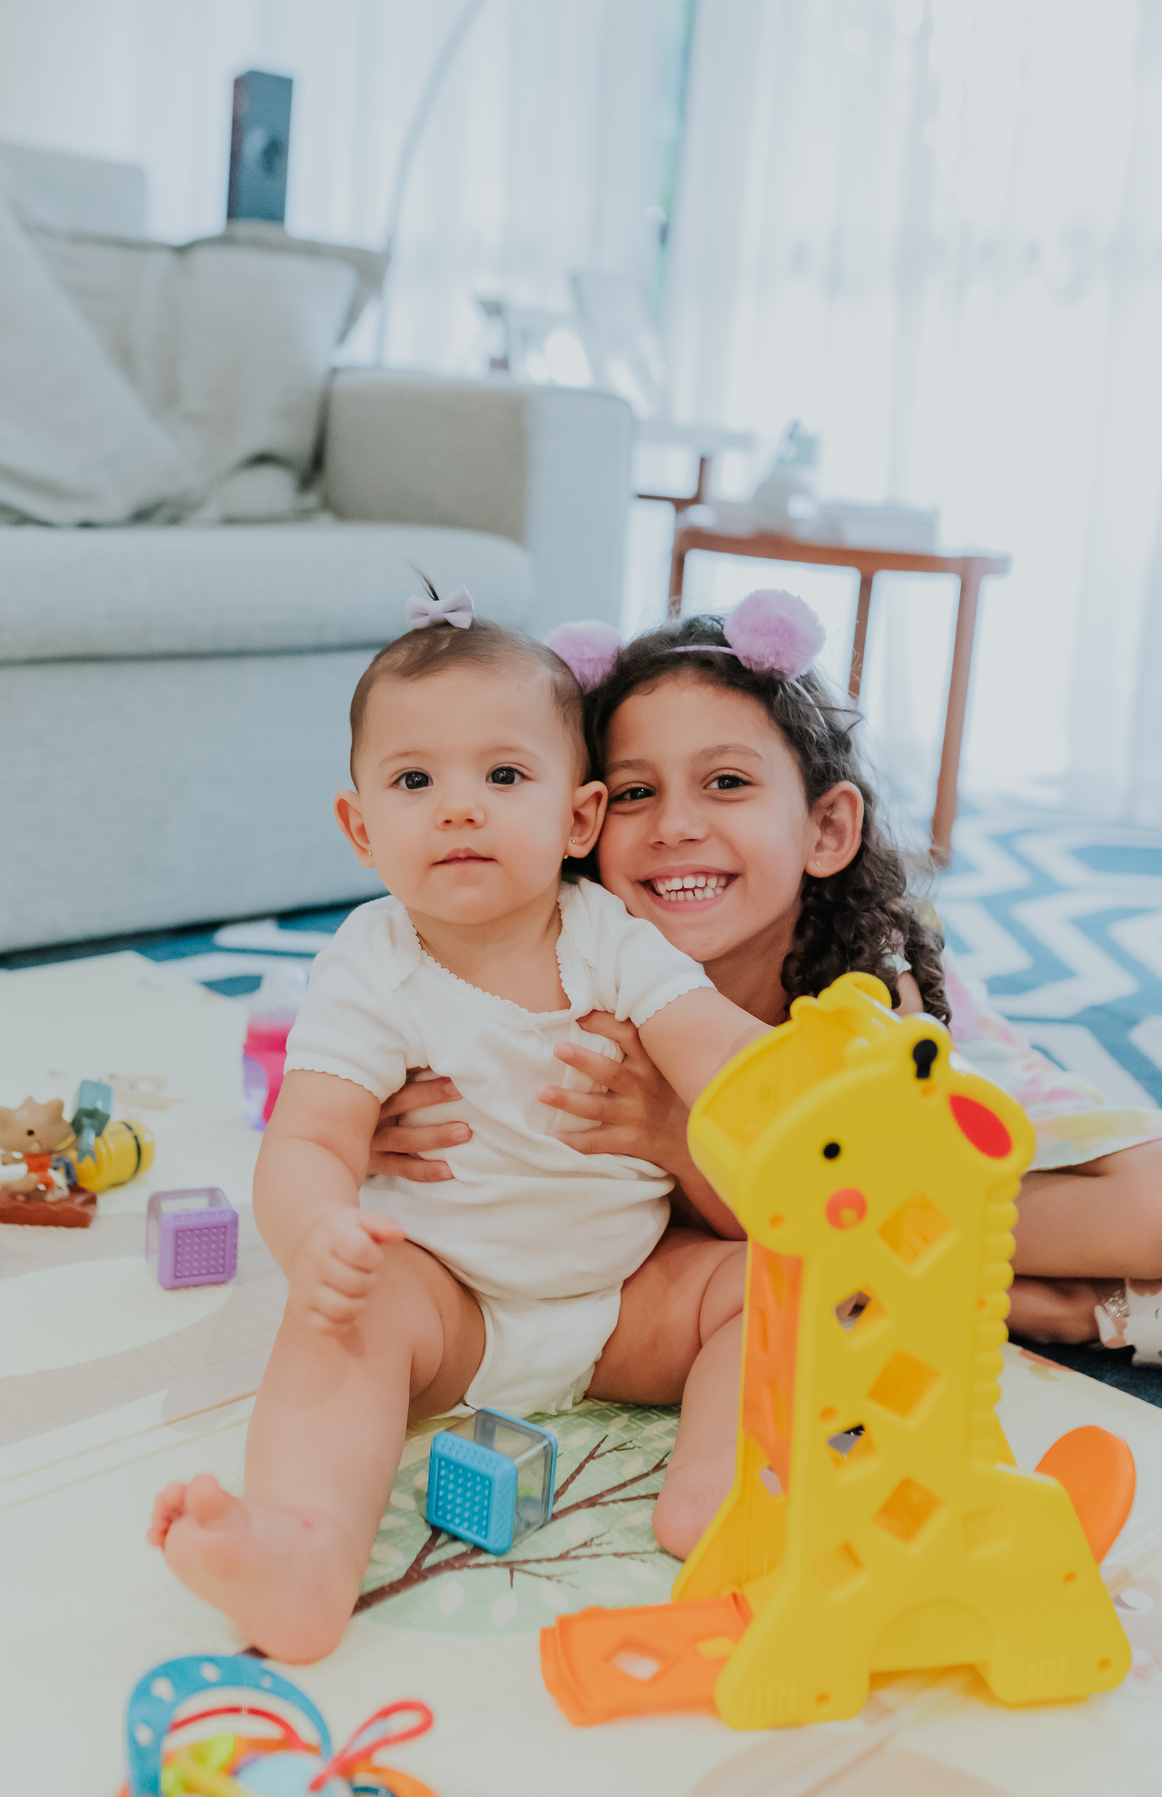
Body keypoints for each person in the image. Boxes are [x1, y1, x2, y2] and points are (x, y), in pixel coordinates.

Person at [148, 584, 779, 1664]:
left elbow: (709, 1038)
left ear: (577, 817)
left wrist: (791, 1078)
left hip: (629, 1302)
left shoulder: (609, 934)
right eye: (413, 780)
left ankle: (719, 1488)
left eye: (503, 775)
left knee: (772, 1277)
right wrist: (316, 1239)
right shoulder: (371, 963)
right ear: (359, 826)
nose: (458, 807)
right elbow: (308, 1138)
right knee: (339, 1322)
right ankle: (304, 1552)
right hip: (451, 1307)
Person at [372, 600, 1162, 1384]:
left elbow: (828, 1206)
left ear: (825, 829)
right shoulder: (570, 962)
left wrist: (679, 1137)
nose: (676, 826)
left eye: (726, 782)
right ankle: (1046, 1301)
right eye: (634, 792)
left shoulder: (867, 990)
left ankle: (1049, 1305)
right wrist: (378, 1117)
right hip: (794, 1207)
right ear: (579, 820)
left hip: (926, 1098)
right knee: (812, 1287)